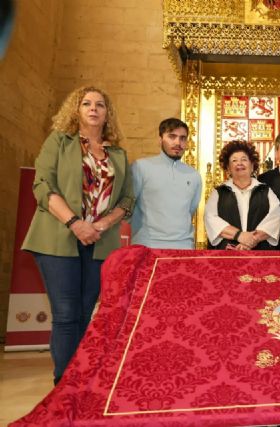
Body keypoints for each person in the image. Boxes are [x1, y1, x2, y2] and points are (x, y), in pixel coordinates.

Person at [22, 86, 134, 384]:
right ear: (76, 110)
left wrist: (102, 225)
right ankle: (64, 383)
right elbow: (42, 186)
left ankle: (81, 380)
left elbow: (127, 200)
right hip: (58, 238)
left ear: (108, 113)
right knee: (66, 314)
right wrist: (75, 222)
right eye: (86, 104)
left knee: (85, 315)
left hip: (99, 243)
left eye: (100, 104)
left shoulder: (118, 154)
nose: (93, 108)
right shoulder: (59, 142)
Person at [131, 118, 202, 249]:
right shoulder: (140, 167)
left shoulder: (194, 175)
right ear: (160, 139)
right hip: (147, 245)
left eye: (182, 138)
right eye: (172, 137)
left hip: (184, 247)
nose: (178, 142)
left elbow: (189, 210)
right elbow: (128, 206)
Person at [204, 140, 280, 250]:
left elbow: (274, 219)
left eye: (244, 159)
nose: (239, 163)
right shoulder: (218, 192)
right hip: (227, 253)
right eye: (234, 160)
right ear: (228, 168)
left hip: (259, 254)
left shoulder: (265, 191)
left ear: (252, 165)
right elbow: (211, 219)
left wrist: (251, 241)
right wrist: (239, 235)